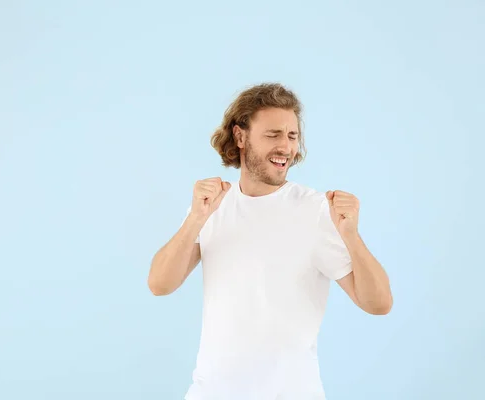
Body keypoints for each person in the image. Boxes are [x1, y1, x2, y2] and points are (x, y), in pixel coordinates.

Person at [147, 83, 393, 399]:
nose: (286, 147)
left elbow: (378, 303)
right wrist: (196, 218)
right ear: (240, 137)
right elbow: (160, 284)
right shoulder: (213, 206)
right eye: (273, 135)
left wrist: (351, 236)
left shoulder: (316, 211)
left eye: (292, 136)